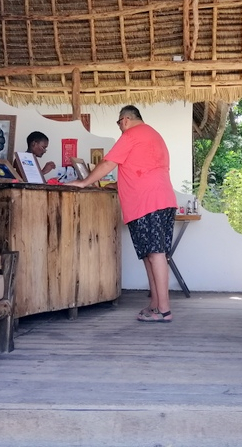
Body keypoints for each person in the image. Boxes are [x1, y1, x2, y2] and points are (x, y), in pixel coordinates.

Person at [68, 105, 177, 322]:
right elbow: (142, 169)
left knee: (154, 254)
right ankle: (155, 305)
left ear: (125, 120)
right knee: (151, 254)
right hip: (164, 199)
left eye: (118, 124)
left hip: (147, 202)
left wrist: (84, 182)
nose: (119, 128)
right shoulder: (154, 135)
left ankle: (164, 310)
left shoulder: (132, 134)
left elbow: (108, 162)